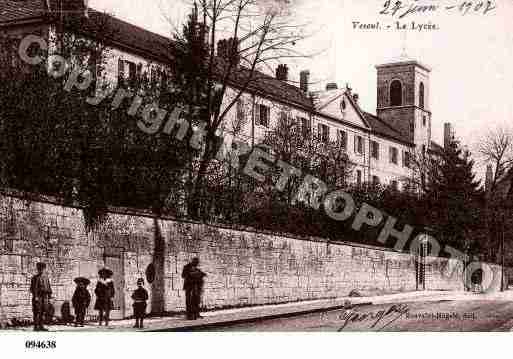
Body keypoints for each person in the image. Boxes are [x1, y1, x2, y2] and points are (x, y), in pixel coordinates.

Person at [30, 262, 52, 331]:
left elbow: (49, 287)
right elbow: (33, 288)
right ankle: (36, 326)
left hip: (45, 297)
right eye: (39, 269)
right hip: (38, 297)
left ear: (44, 269)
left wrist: (50, 296)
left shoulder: (46, 278)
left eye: (42, 269)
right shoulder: (34, 278)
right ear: (38, 269)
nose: (41, 270)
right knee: (37, 311)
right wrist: (35, 296)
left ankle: (41, 325)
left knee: (43, 311)